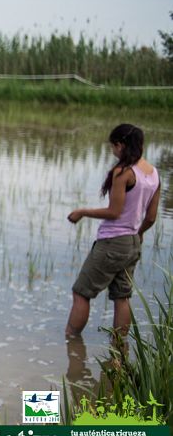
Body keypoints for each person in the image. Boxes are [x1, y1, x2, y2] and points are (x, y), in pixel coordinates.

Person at [65, 124, 161, 339]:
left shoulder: (123, 172)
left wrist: (82, 211)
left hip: (113, 242)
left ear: (120, 145)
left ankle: (71, 341)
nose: (113, 152)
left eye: (113, 147)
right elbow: (152, 217)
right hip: (132, 243)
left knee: (81, 292)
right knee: (122, 296)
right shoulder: (154, 174)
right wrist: (139, 233)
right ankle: (119, 350)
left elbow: (114, 211)